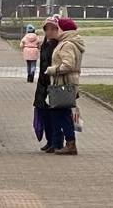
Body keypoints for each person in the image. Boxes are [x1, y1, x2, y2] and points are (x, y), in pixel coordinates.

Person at [45, 17, 84, 156]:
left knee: (63, 113)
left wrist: (52, 70)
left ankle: (70, 143)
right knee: (61, 113)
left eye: (58, 27)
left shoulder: (67, 44)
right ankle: (67, 142)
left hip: (65, 82)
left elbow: (68, 64)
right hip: (66, 81)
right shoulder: (68, 43)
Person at [34, 17, 59, 152]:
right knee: (42, 111)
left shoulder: (58, 45)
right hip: (42, 83)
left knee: (53, 114)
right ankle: (49, 140)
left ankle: (55, 141)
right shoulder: (45, 44)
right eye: (47, 29)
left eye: (52, 29)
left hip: (52, 83)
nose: (49, 32)